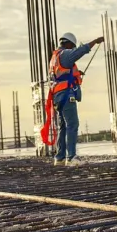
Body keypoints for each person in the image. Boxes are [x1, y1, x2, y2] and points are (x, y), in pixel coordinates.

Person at [49, 32, 104, 166]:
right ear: (68, 44)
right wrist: (95, 41)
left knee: (63, 126)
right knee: (72, 125)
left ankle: (60, 158)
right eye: (72, 46)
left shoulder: (54, 58)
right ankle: (72, 157)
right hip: (67, 95)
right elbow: (80, 51)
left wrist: (76, 74)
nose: (72, 49)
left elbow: (61, 75)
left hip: (57, 96)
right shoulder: (65, 54)